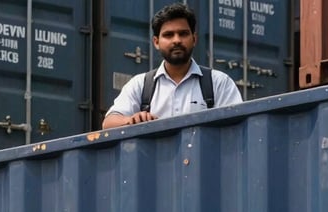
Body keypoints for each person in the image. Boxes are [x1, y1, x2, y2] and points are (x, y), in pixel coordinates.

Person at [102, 3, 242, 128]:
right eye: (168, 35)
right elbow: (108, 123)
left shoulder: (219, 83)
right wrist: (131, 120)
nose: (177, 40)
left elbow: (238, 125)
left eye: (183, 33)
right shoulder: (140, 85)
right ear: (156, 42)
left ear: (194, 39)